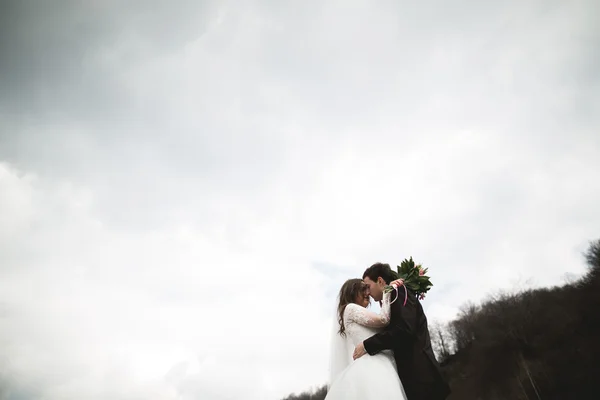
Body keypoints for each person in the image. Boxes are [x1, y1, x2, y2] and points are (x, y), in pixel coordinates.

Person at [353, 262, 451, 400]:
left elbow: (404, 330)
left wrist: (367, 345)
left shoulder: (399, 292)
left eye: (368, 287)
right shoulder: (391, 297)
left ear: (380, 281)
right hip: (414, 379)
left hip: (420, 377)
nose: (367, 292)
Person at [325, 278, 408, 400]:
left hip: (384, 363)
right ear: (352, 292)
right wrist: (387, 291)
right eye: (363, 289)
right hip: (373, 367)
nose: (367, 293)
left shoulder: (360, 313)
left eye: (368, 289)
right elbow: (383, 319)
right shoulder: (350, 308)